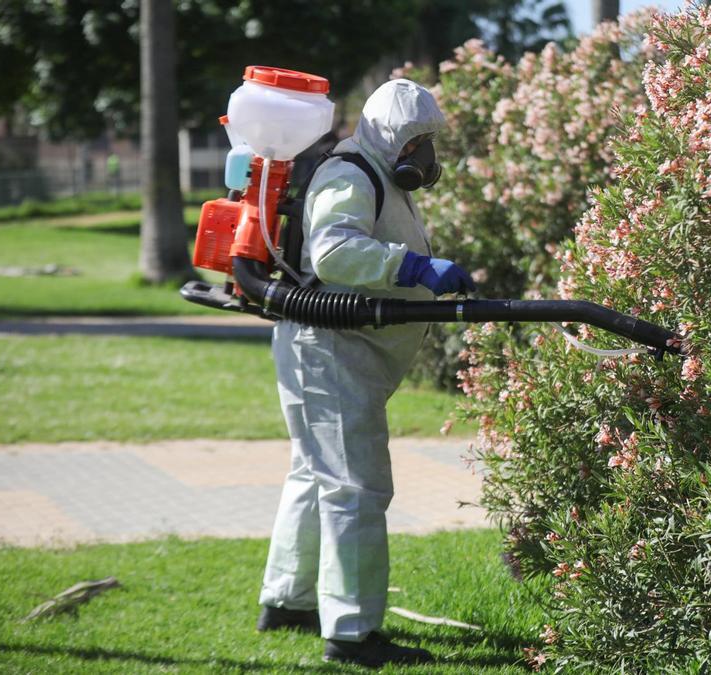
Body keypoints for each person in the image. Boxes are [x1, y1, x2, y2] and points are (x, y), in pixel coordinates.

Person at [254, 79, 475, 668]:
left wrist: (422, 270)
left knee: (314, 475)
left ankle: (287, 600)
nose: (423, 154)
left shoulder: (376, 173)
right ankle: (352, 633)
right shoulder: (351, 174)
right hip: (330, 351)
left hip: (337, 353)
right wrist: (414, 267)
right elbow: (332, 254)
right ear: (386, 134)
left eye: (427, 140)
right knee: (356, 489)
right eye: (414, 139)